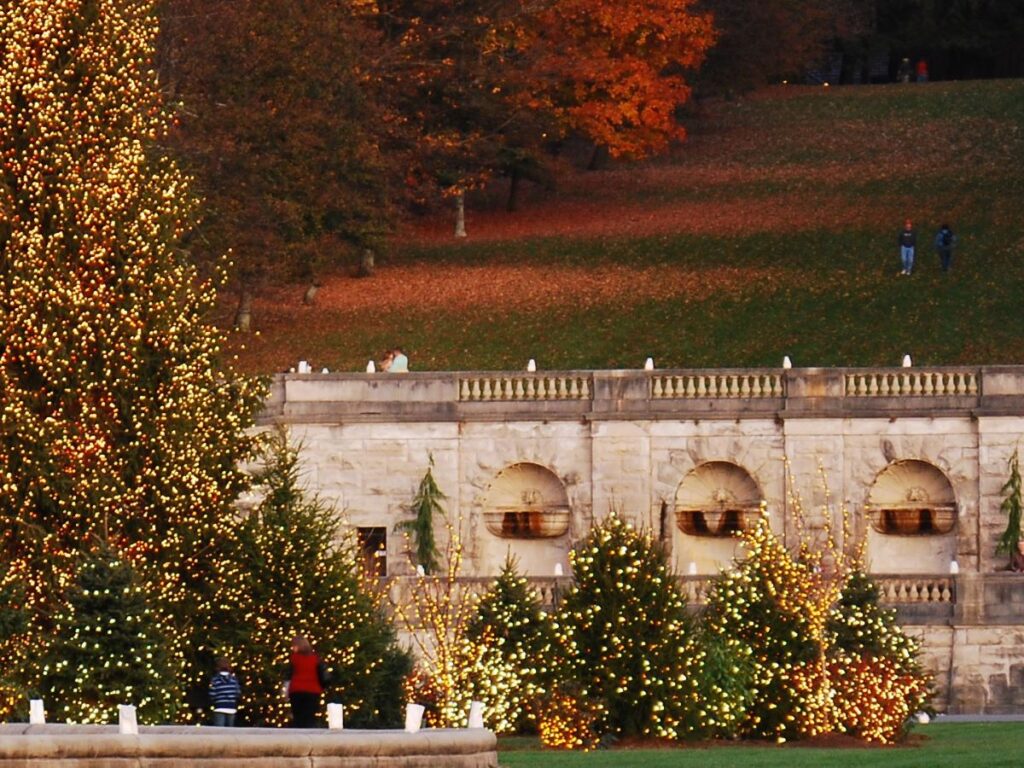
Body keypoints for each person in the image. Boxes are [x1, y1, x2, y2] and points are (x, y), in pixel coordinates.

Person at [284, 635, 327, 728]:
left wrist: (285, 692)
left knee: (298, 718)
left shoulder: (294, 658)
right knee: (310, 718)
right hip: (313, 691)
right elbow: (322, 675)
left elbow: (289, 675)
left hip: (296, 690)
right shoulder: (316, 658)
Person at [209, 657, 242, 727]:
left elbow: (212, 694)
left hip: (219, 707)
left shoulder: (215, 680)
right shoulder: (234, 680)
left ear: (217, 668)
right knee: (230, 729)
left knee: (219, 729)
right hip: (231, 707)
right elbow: (238, 693)